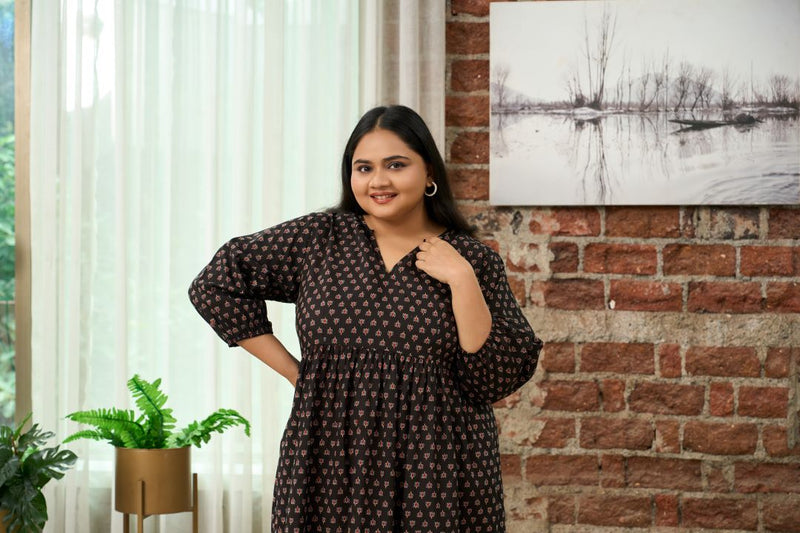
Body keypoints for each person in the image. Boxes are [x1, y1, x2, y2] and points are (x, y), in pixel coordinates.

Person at [189, 105, 543, 532]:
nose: (378, 181)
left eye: (396, 165)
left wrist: (462, 279)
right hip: (327, 459)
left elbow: (491, 379)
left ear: (429, 172)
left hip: (436, 471)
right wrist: (296, 374)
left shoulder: (472, 261)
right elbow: (217, 283)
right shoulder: (318, 240)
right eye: (364, 168)